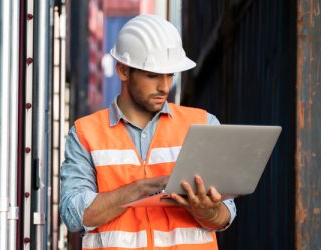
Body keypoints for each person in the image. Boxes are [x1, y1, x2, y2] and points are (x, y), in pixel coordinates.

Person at [60, 14, 237, 249]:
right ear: (123, 71)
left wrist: (208, 212)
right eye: (153, 75)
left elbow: (226, 215)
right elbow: (74, 215)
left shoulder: (203, 124)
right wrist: (143, 187)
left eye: (170, 75)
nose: (164, 87)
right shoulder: (86, 133)